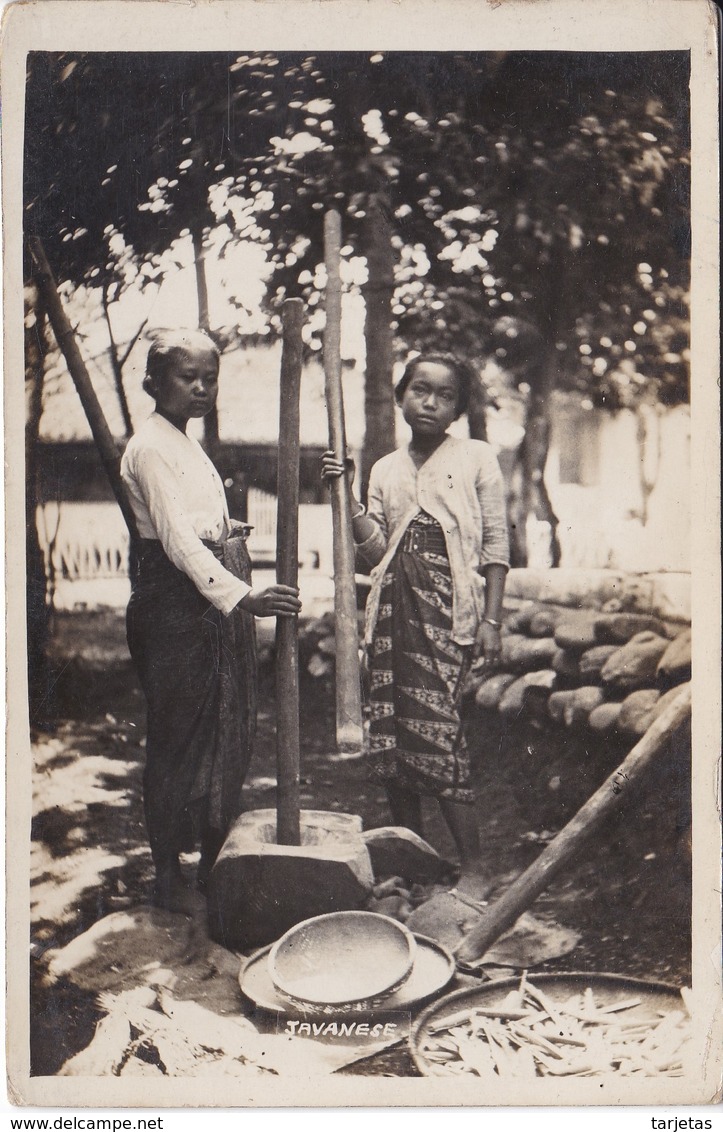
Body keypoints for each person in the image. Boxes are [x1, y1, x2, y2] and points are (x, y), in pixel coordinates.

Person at [121, 329, 301, 914]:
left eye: (209, 378)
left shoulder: (182, 441)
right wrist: (243, 595)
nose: (200, 388)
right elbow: (175, 540)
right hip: (172, 606)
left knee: (218, 727)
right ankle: (168, 877)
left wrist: (230, 538)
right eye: (186, 377)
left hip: (200, 599)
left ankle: (209, 862)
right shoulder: (150, 446)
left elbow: (198, 523)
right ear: (153, 380)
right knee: (177, 737)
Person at [322, 353, 509, 906]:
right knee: (393, 744)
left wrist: (492, 622)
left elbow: (496, 550)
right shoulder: (385, 468)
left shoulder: (477, 458)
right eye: (419, 390)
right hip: (389, 617)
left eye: (444, 395)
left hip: (448, 618)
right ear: (401, 395)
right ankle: (416, 864)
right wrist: (350, 496)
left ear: (458, 406)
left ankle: (476, 868)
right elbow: (375, 550)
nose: (430, 403)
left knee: (438, 734)